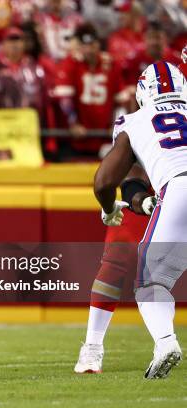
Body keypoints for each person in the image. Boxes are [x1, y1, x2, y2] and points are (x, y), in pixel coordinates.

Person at [92, 62, 186, 379]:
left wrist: (108, 208)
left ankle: (165, 343)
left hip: (179, 187)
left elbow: (104, 182)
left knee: (150, 280)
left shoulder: (134, 120)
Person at [74, 164, 152, 373]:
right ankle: (92, 345)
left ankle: (165, 340)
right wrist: (140, 198)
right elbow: (128, 166)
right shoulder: (133, 132)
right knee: (117, 259)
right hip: (151, 192)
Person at [54, 24, 129, 157]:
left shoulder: (111, 64)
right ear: (80, 46)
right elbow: (64, 98)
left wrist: (116, 125)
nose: (89, 50)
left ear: (98, 44)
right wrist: (73, 123)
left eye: (92, 44)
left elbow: (121, 100)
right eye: (85, 45)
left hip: (104, 137)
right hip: (79, 137)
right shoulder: (71, 63)